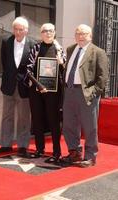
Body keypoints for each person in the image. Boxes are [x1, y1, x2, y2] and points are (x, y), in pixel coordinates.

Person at [62, 24, 108, 167]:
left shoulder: (98, 52)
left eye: (84, 33)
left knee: (90, 126)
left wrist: (93, 93)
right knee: (69, 124)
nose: (80, 36)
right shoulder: (70, 49)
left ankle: (90, 156)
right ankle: (74, 152)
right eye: (78, 33)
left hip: (86, 93)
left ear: (90, 35)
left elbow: (103, 77)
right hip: (69, 91)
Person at [0, 16, 35, 157]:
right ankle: (6, 145)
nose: (18, 32)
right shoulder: (6, 41)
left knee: (24, 118)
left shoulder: (32, 44)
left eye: (21, 29)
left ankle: (23, 146)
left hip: (24, 87)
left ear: (26, 30)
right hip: (8, 85)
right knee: (7, 116)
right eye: (15, 29)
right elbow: (4, 63)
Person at [25, 23, 66, 163]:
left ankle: (56, 152)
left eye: (51, 31)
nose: (48, 33)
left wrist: (61, 63)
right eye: (45, 31)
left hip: (53, 92)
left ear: (54, 32)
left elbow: (65, 71)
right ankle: (39, 149)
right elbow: (28, 71)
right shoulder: (35, 48)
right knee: (37, 120)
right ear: (41, 33)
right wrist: (39, 85)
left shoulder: (59, 49)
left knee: (54, 121)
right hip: (36, 90)